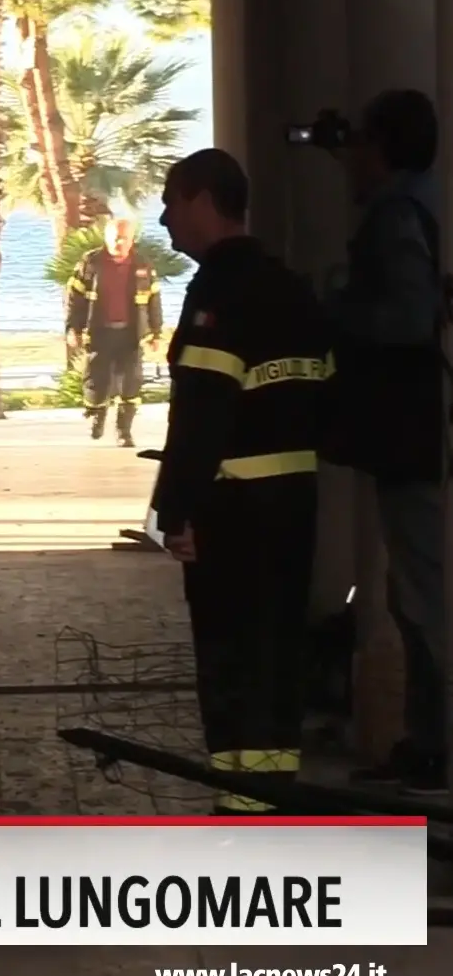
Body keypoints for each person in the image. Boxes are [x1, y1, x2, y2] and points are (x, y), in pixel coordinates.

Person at [154, 148, 335, 815]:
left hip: (233, 506)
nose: (165, 217)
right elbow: (326, 391)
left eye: (172, 201)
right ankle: (268, 789)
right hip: (294, 499)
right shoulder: (290, 285)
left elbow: (201, 413)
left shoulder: (219, 293)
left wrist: (176, 511)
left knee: (230, 651)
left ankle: (241, 801)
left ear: (204, 200)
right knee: (277, 649)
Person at [322, 88, 447, 797]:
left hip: (411, 430)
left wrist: (337, 306)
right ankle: (427, 740)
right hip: (412, 430)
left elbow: (405, 317)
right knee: (413, 589)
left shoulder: (398, 216)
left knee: (423, 592)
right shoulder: (416, 205)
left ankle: (436, 744)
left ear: (383, 148)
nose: (351, 162)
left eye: (360, 146)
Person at [65, 215, 164, 447]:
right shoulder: (91, 263)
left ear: (132, 240)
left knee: (131, 382)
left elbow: (154, 301)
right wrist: (73, 328)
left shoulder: (143, 266)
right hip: (99, 333)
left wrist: (156, 333)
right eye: (116, 238)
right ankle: (97, 415)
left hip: (131, 334)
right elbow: (75, 300)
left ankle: (124, 432)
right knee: (97, 382)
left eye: (125, 239)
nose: (120, 243)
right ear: (107, 237)